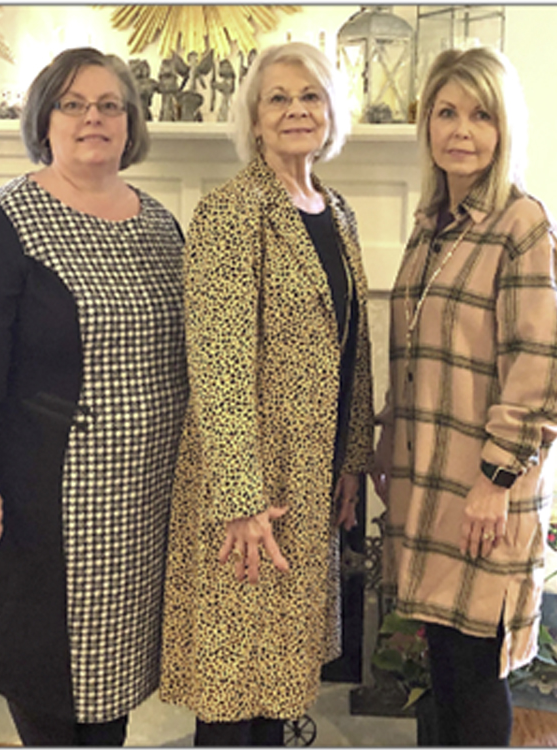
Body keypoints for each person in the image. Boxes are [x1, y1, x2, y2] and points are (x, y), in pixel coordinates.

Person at [0, 47, 188, 746]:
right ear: (45, 120)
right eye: (73, 104)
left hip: (142, 507)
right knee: (50, 686)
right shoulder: (4, 224)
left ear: (130, 123)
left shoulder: (162, 226)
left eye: (109, 105)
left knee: (112, 691)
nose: (93, 118)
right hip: (46, 505)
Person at [159, 42, 375, 746]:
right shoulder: (230, 212)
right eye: (277, 98)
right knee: (231, 685)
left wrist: (352, 461)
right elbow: (217, 365)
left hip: (310, 482)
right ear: (253, 119)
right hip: (248, 487)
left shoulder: (336, 212)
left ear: (331, 112)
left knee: (279, 674)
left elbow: (354, 349)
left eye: (310, 96)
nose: (295, 111)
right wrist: (240, 500)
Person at [371, 46, 557, 746]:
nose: (461, 130)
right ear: (426, 124)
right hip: (427, 483)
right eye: (446, 112)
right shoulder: (431, 227)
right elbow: (413, 359)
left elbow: (538, 368)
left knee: (474, 670)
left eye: (481, 115)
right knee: (444, 663)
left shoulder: (523, 227)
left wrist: (496, 478)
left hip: (483, 491)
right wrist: (386, 441)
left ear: (504, 127)